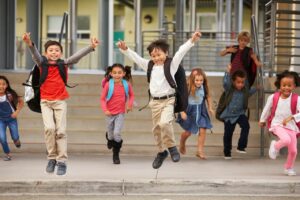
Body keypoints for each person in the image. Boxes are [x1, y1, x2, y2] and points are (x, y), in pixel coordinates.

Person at [117, 30, 201, 169]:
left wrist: (191, 41)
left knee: (164, 123)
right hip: (155, 102)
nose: (156, 58)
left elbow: (181, 52)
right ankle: (161, 152)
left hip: (169, 100)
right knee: (156, 129)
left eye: (159, 54)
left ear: (166, 53)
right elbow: (136, 58)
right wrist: (126, 50)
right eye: (153, 55)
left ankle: (172, 147)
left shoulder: (171, 65)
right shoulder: (149, 65)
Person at [22, 32, 99, 176]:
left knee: (61, 131)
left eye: (57, 50)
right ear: (46, 53)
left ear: (61, 53)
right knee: (50, 129)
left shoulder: (64, 64)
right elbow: (35, 53)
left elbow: (77, 56)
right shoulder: (41, 63)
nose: (54, 52)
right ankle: (51, 158)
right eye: (51, 50)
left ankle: (62, 161)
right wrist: (29, 43)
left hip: (60, 101)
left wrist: (91, 47)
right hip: (45, 102)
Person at [259, 70, 300, 176]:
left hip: (291, 127)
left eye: (289, 85)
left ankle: (288, 168)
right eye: (284, 85)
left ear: (294, 86)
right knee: (285, 140)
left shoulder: (297, 99)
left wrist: (292, 117)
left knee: (293, 151)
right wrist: (262, 120)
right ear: (279, 85)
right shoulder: (273, 97)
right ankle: (275, 146)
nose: (286, 87)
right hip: (277, 124)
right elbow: (267, 109)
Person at [219, 64, 255, 159]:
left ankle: (241, 146)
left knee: (246, 126)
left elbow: (252, 91)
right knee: (228, 134)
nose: (240, 84)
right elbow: (225, 83)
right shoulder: (229, 89)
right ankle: (227, 152)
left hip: (240, 114)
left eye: (242, 82)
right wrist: (228, 71)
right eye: (238, 82)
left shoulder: (245, 91)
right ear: (234, 82)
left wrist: (259, 88)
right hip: (229, 115)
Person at [100, 63, 134, 164]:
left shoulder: (126, 84)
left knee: (116, 133)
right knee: (111, 136)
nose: (117, 75)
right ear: (111, 73)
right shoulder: (107, 85)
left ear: (123, 74)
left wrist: (130, 105)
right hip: (109, 113)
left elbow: (131, 96)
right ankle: (109, 139)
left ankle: (116, 154)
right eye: (114, 73)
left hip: (120, 113)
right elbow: (102, 99)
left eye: (119, 73)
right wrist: (105, 109)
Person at [176, 68, 213, 159]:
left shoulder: (204, 87)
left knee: (203, 129)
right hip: (189, 112)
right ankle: (182, 142)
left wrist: (210, 107)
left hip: (200, 111)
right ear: (193, 79)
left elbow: (208, 97)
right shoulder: (187, 87)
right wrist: (182, 112)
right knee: (188, 133)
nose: (199, 82)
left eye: (201, 80)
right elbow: (180, 100)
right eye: (197, 80)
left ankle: (199, 151)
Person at [0, 76, 24, 161]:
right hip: (1, 120)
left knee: (15, 136)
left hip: (11, 119)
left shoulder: (10, 94)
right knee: (2, 138)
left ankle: (16, 140)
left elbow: (21, 101)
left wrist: (16, 112)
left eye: (3, 84)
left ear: (6, 85)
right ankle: (8, 154)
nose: (1, 86)